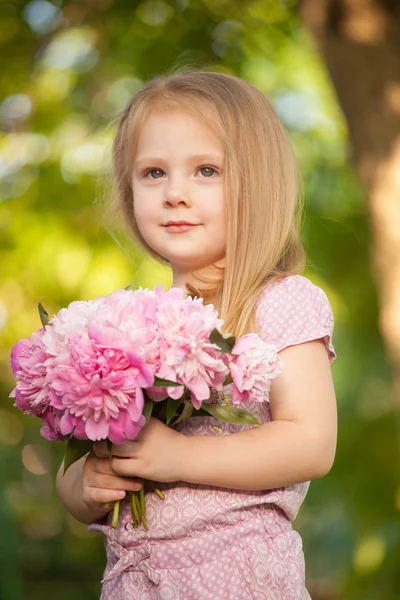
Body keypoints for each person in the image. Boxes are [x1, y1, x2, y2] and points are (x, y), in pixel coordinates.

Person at [56, 69, 337, 599]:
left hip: (237, 579)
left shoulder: (279, 301)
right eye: (153, 172)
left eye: (206, 170)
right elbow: (83, 458)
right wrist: (84, 485)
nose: (175, 194)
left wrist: (180, 458)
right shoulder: (131, 324)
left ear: (259, 185)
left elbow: (311, 442)